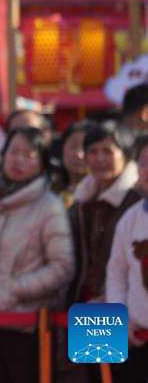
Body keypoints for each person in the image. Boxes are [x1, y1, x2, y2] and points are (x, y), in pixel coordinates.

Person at [0, 127, 74, 383]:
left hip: (26, 325)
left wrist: (14, 290)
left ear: (42, 162)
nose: (18, 160)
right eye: (13, 152)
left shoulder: (49, 206)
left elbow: (63, 266)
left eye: (29, 155)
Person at [68, 120, 141, 305]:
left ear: (126, 155)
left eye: (108, 151)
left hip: (120, 301)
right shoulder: (81, 202)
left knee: (104, 335)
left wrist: (111, 297)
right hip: (82, 297)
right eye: (92, 151)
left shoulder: (136, 202)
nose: (99, 159)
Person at [105, 135, 148, 383]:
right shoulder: (130, 218)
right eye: (143, 163)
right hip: (135, 337)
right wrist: (120, 318)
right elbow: (117, 274)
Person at [59, 119, 95, 208]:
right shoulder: (48, 189)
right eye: (73, 146)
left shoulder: (99, 196)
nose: (79, 155)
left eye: (85, 148)